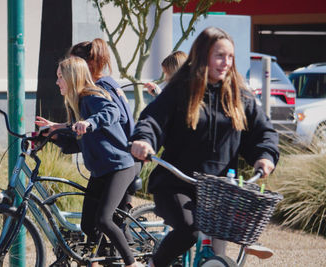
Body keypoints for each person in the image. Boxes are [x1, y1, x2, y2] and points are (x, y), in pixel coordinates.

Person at [130, 27, 279, 267]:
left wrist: (265, 156)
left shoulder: (240, 96)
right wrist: (144, 140)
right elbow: (153, 120)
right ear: (202, 55)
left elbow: (263, 132)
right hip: (176, 182)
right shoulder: (181, 90)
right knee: (188, 231)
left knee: (219, 257)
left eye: (230, 57)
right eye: (220, 55)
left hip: (220, 189)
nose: (226, 62)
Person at [35, 56, 141, 267]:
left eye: (60, 77)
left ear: (72, 77)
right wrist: (53, 136)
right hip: (101, 171)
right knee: (87, 225)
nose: (57, 82)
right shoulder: (77, 106)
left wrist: (90, 123)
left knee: (104, 220)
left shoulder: (90, 96)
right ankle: (100, 262)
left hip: (119, 166)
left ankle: (132, 263)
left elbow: (112, 112)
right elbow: (78, 143)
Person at [69, 38, 141, 234]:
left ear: (89, 64)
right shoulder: (105, 84)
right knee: (101, 224)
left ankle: (133, 262)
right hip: (120, 158)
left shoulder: (99, 87)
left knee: (109, 221)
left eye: (75, 64)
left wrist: (90, 124)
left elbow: (117, 119)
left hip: (123, 160)